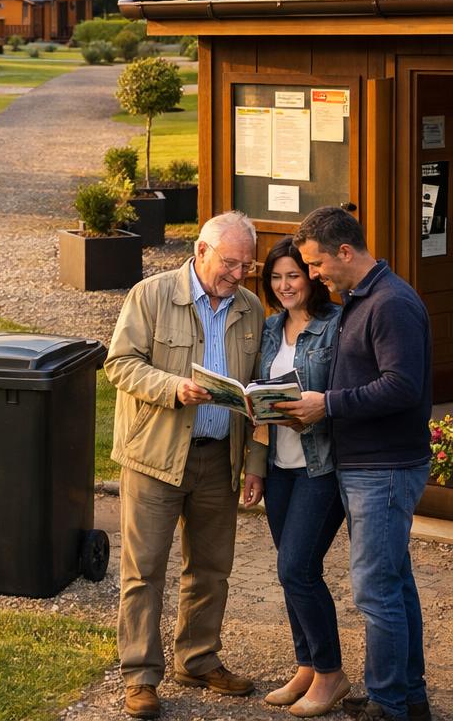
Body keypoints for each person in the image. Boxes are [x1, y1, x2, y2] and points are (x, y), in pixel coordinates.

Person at [105, 210, 264, 719]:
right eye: (231, 263)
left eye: (247, 266)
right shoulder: (149, 295)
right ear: (200, 251)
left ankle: (197, 660)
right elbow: (119, 364)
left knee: (212, 568)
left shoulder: (251, 310)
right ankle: (140, 676)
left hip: (219, 458)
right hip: (153, 457)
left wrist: (254, 462)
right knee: (144, 570)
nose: (238, 275)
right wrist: (174, 389)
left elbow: (258, 395)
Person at [278, 207, 432, 721]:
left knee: (376, 592)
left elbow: (403, 387)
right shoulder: (363, 300)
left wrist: (329, 404)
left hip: (384, 470)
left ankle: (389, 706)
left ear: (345, 252)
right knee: (395, 585)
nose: (314, 275)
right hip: (367, 466)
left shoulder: (391, 304)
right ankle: (408, 699)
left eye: (317, 264)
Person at [247, 237, 347, 717]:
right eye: (277, 277)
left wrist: (314, 410)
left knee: (296, 569)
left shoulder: (335, 326)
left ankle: (331, 675)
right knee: (292, 572)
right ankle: (306, 666)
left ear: (311, 277)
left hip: (320, 467)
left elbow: (346, 395)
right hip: (279, 467)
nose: (285, 285)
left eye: (294, 275)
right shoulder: (269, 329)